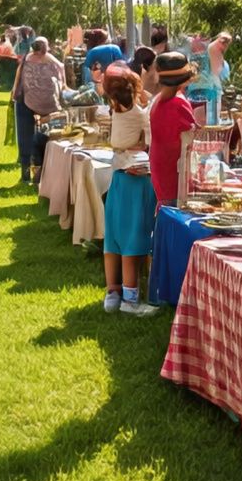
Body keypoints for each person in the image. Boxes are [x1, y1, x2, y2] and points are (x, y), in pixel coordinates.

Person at [100, 64, 158, 316]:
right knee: (134, 239)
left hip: (119, 180)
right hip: (137, 182)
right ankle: (130, 299)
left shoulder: (116, 112)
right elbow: (150, 140)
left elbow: (121, 142)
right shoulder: (139, 113)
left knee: (114, 239)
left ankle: (112, 292)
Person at [149, 51, 198, 209]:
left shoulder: (158, 100)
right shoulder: (178, 103)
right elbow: (192, 140)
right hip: (174, 174)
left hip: (160, 171)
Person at [12, 37, 65, 184]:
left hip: (27, 102)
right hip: (48, 104)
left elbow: (17, 79)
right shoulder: (52, 60)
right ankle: (42, 174)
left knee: (25, 138)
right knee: (48, 138)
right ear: (46, 48)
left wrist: (14, 93)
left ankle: (27, 174)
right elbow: (62, 74)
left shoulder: (27, 59)